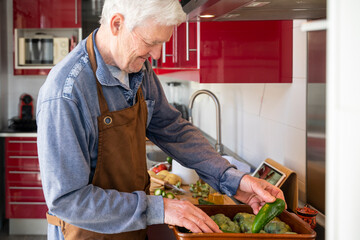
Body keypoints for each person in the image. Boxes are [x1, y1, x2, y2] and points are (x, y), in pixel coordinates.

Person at [36, 0, 285, 239]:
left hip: (131, 232)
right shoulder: (66, 93)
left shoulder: (138, 70)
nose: (157, 54)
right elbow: (67, 200)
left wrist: (233, 180)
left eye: (163, 43)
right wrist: (160, 208)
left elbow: (172, 129)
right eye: (150, 42)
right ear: (116, 24)